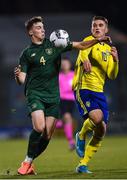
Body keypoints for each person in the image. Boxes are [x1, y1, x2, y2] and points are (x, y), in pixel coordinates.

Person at [14, 16, 111, 175]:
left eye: (43, 27)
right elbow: (22, 79)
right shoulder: (27, 53)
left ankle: (29, 162)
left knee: (47, 136)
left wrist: (97, 40)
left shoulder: (55, 45)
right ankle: (26, 162)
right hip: (35, 94)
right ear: (31, 32)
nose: (43, 29)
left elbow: (81, 45)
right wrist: (17, 76)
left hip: (53, 97)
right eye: (38, 27)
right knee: (39, 127)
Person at [72, 16, 119, 173]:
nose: (97, 28)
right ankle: (81, 134)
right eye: (94, 26)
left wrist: (116, 60)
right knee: (97, 118)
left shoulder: (108, 49)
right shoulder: (89, 40)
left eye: (100, 25)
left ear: (106, 29)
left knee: (102, 130)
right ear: (91, 29)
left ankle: (83, 164)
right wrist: (84, 59)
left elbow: (112, 75)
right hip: (83, 87)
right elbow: (83, 50)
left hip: (99, 91)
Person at [56, 58, 75, 150]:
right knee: (67, 117)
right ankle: (71, 142)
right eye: (62, 64)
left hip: (73, 101)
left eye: (66, 64)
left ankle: (59, 123)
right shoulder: (59, 76)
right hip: (62, 100)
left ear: (70, 65)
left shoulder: (74, 75)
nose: (64, 65)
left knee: (67, 120)